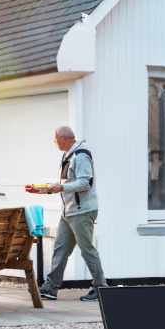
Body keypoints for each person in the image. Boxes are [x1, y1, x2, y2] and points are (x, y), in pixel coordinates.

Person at [29, 126, 107, 302]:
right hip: (69, 211)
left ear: (63, 138)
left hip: (82, 211)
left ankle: (100, 288)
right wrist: (47, 189)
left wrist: (61, 187)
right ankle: (51, 287)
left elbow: (85, 182)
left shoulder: (81, 155)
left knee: (86, 249)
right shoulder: (68, 155)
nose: (54, 142)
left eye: (55, 139)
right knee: (60, 248)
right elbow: (67, 181)